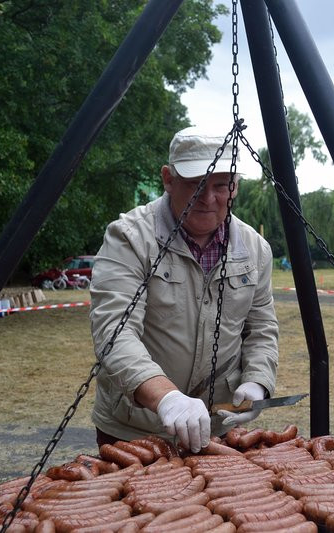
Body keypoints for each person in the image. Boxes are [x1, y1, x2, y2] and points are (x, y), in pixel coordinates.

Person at [89, 127, 279, 453]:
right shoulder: (130, 238)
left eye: (221, 185)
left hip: (216, 429)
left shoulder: (255, 249)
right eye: (195, 184)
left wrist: (258, 380)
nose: (209, 199)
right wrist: (165, 397)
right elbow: (113, 332)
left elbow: (261, 328)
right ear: (168, 178)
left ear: (235, 187)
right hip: (136, 430)